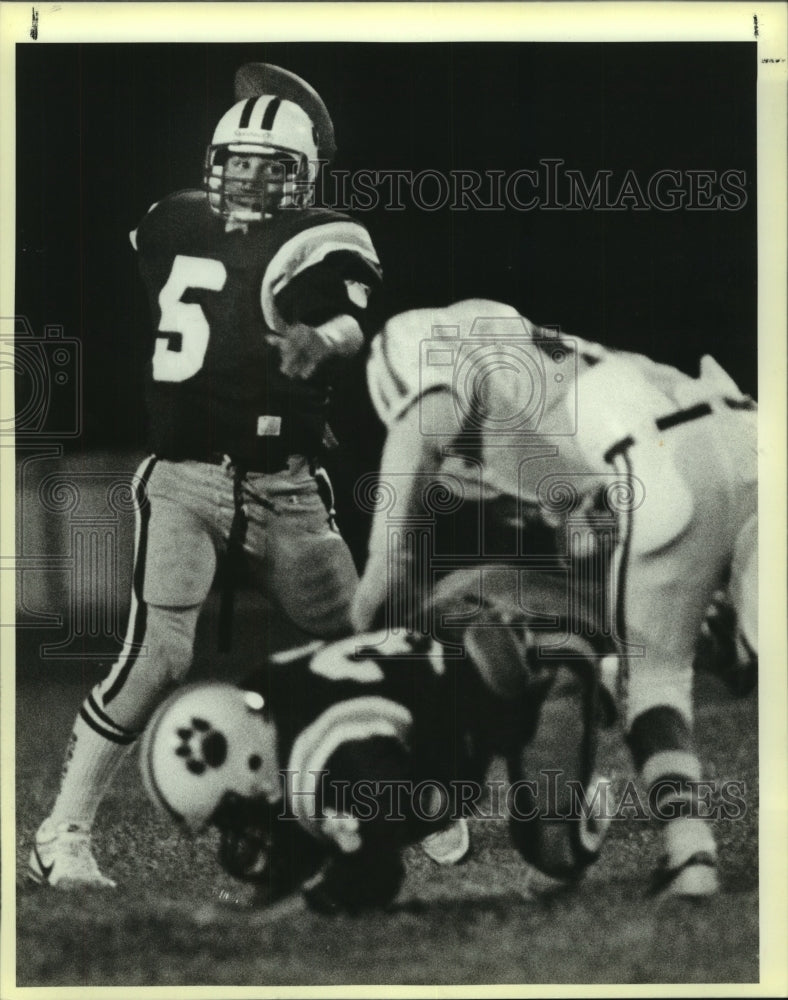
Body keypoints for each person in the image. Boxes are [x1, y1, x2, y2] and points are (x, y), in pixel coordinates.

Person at [29, 80, 382, 889]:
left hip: (287, 488)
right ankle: (63, 832)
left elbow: (350, 315)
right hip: (186, 481)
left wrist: (320, 341)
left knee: (358, 646)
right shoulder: (179, 219)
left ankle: (413, 804)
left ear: (304, 175)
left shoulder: (304, 237)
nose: (253, 183)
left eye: (272, 170)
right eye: (240, 166)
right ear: (215, 167)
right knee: (157, 655)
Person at [352, 299, 757, 897]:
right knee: (732, 656)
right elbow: (596, 528)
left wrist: (347, 646)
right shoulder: (549, 378)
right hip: (753, 436)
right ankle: (724, 641)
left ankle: (690, 854)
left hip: (660, 466)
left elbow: (397, 535)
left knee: (655, 680)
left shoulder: (421, 354)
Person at [139, 568, 614, 914]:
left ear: (248, 759)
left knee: (554, 856)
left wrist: (306, 903)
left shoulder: (333, 749)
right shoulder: (272, 703)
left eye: (231, 814)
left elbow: (375, 870)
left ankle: (613, 687)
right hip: (461, 606)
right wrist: (251, 902)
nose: (239, 831)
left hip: (529, 643)